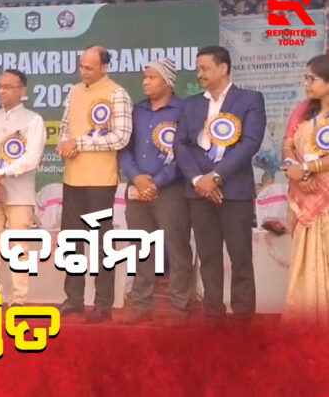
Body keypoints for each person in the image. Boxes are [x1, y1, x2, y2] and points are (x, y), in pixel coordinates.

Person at [173, 46, 266, 326]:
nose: (199, 74)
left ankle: (243, 316)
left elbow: (250, 143)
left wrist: (216, 176)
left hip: (234, 191)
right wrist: (197, 180)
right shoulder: (190, 105)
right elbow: (180, 145)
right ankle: (213, 313)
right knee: (208, 255)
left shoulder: (249, 99)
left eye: (204, 68)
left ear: (223, 68)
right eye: (198, 68)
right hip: (198, 192)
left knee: (240, 255)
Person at [56, 45, 133, 323]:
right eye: (81, 66)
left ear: (104, 67)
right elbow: (65, 128)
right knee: (71, 242)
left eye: (89, 67)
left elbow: (121, 137)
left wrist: (79, 143)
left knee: (101, 243)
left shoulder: (117, 93)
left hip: (100, 181)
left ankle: (103, 304)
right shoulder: (74, 91)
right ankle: (74, 299)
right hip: (72, 178)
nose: (84, 71)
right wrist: (64, 144)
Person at [118, 58, 194, 326]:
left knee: (177, 246)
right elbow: (124, 149)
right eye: (144, 78)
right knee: (141, 247)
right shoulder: (137, 110)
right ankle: (141, 304)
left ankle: (180, 308)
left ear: (168, 81)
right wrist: (136, 177)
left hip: (171, 189)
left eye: (151, 78)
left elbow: (184, 153)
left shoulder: (184, 110)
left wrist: (157, 182)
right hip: (137, 188)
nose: (145, 82)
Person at [0, 69, 45, 307]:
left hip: (20, 195)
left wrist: (0, 175)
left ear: (22, 90)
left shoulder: (33, 120)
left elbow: (32, 158)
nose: (2, 91)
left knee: (19, 248)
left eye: (8, 87)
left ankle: (19, 298)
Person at [281, 54, 329, 325]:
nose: (306, 84)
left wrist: (309, 168)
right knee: (307, 261)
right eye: (305, 78)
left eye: (313, 79)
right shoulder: (302, 111)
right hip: (305, 196)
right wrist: (295, 170)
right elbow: (288, 144)